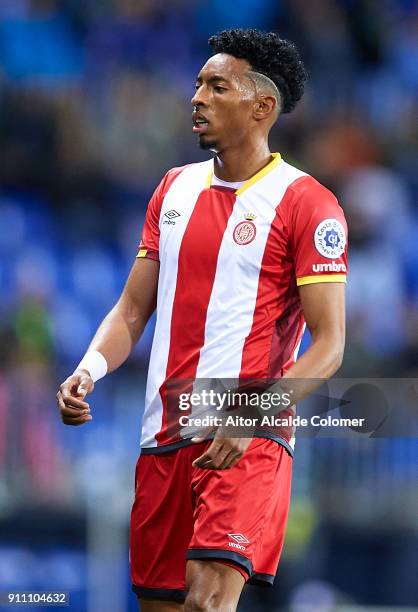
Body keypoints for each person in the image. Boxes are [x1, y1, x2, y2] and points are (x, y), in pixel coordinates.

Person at [56, 28, 348, 612]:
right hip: (161, 431)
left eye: (217, 86)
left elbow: (330, 344)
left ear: (262, 106)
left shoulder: (306, 202)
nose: (197, 97)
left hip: (244, 432)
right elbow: (133, 308)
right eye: (197, 84)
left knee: (208, 602)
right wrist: (89, 368)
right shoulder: (173, 189)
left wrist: (250, 414)